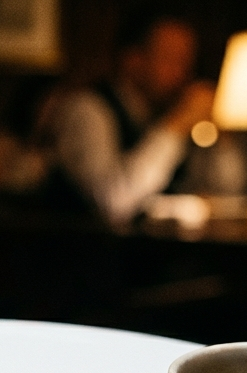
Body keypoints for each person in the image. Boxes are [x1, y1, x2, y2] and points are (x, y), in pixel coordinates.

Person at [49, 9, 215, 227]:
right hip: (86, 254)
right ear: (132, 60)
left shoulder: (166, 110)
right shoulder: (87, 110)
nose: (181, 74)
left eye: (186, 62)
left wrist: (224, 140)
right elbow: (113, 202)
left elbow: (216, 189)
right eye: (170, 60)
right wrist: (175, 126)